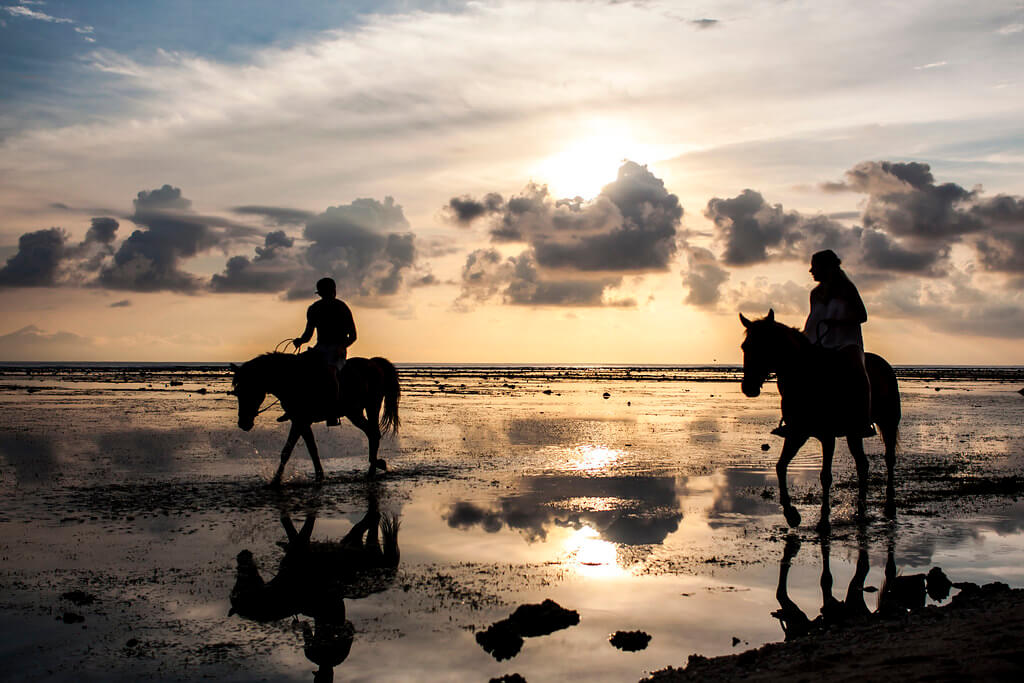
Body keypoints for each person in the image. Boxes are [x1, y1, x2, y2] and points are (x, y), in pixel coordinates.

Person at [772, 250, 874, 438]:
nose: (811, 270)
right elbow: (812, 321)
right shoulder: (815, 294)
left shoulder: (847, 290)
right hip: (819, 341)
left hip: (846, 342)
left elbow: (862, 316)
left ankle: (863, 420)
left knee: (858, 372)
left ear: (827, 267)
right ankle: (793, 419)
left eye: (815, 266)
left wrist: (838, 322)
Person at [284, 277, 356, 426]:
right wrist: (300, 341)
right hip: (320, 348)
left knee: (330, 373)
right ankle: (294, 407)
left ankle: (332, 412)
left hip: (337, 350)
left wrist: (342, 347)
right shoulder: (314, 309)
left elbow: (353, 336)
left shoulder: (342, 307)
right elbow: (308, 334)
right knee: (295, 369)